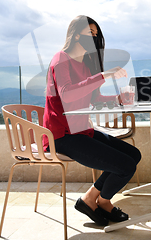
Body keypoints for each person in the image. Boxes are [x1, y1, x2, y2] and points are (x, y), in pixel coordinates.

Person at [43, 15, 142, 226]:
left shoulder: (86, 66)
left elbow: (94, 98)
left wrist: (117, 99)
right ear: (76, 34)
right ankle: (102, 202)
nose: (94, 38)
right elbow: (67, 94)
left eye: (96, 35)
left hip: (81, 130)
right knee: (124, 165)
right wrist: (104, 76)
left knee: (133, 154)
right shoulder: (61, 59)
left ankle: (92, 198)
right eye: (91, 33)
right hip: (62, 135)